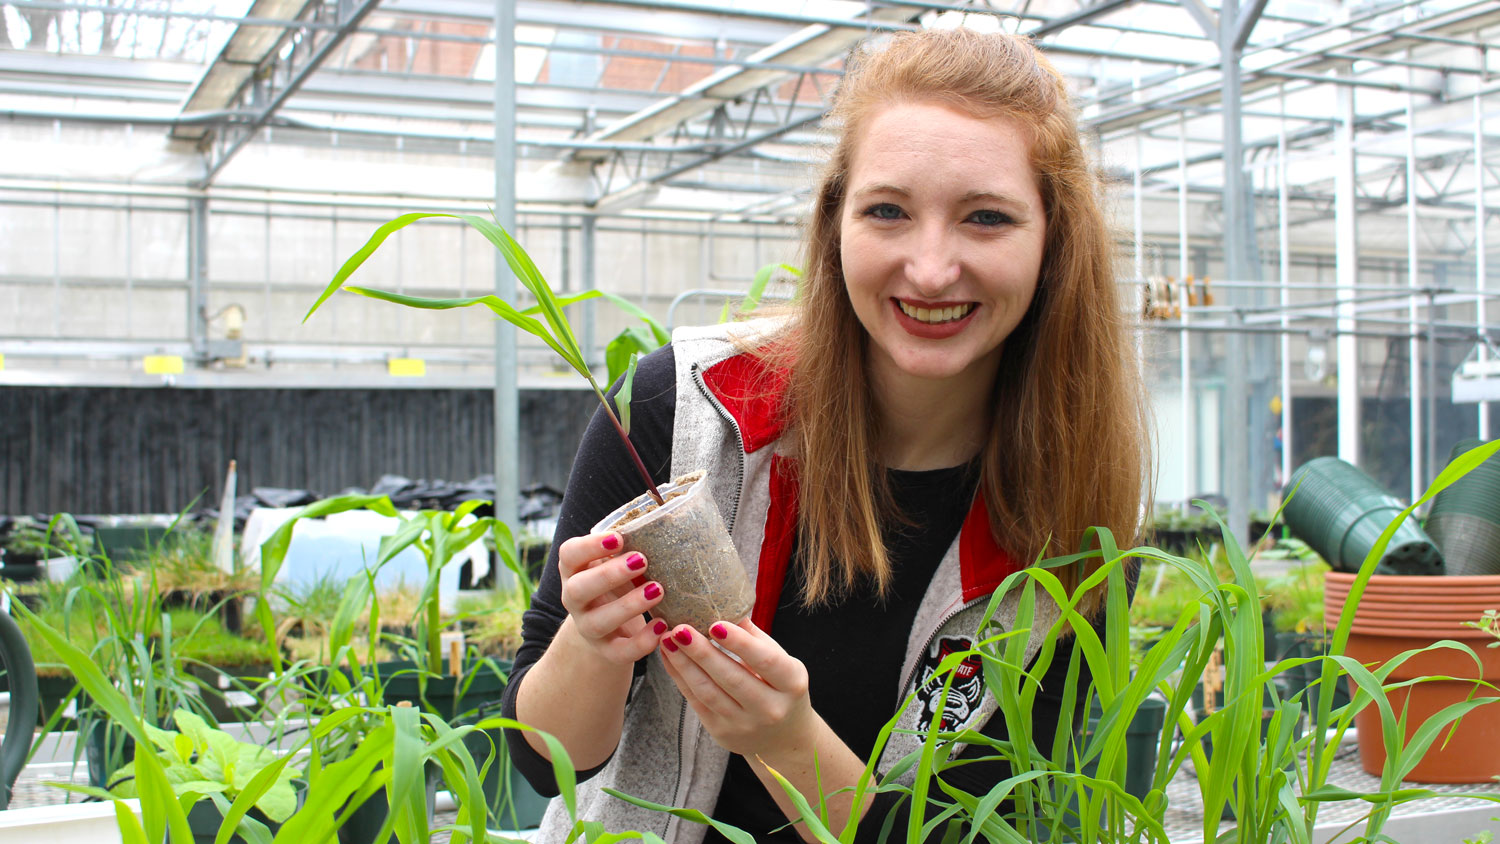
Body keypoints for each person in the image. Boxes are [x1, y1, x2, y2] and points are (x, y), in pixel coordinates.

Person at [499, 25, 1151, 844]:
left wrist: (786, 745)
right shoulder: (683, 409)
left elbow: (984, 829)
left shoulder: (1070, 529)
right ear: (835, 220)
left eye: (986, 218)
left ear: (1052, 242)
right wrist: (591, 645)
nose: (930, 267)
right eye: (888, 211)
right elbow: (541, 759)